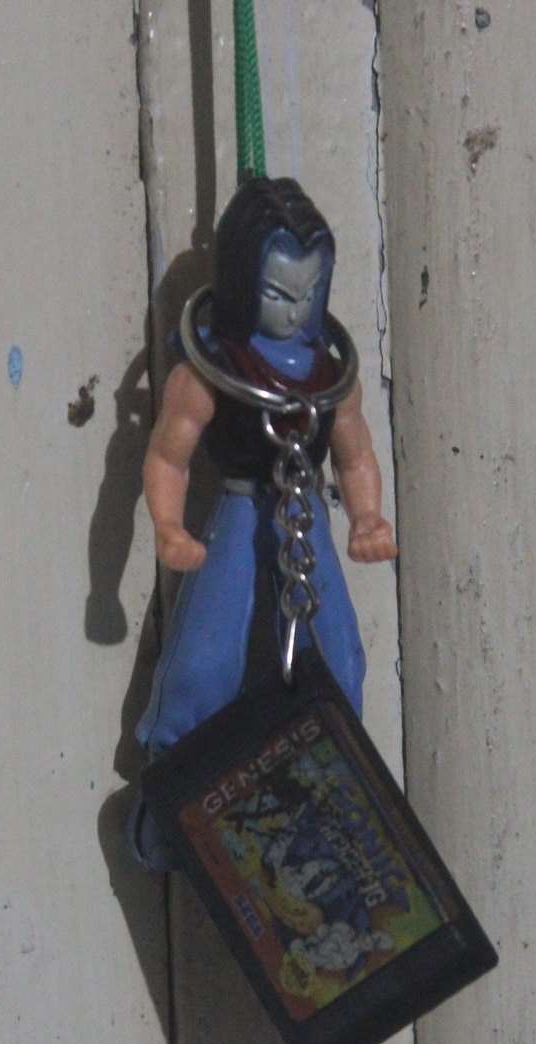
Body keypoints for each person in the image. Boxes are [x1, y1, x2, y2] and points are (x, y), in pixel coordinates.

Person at [129, 177, 396, 870]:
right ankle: (167, 793)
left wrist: (367, 515)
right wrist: (168, 526)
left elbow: (356, 453)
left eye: (309, 293)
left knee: (339, 656)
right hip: (241, 509)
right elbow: (168, 456)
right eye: (278, 294)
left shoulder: (329, 373)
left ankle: (337, 783)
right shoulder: (212, 369)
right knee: (202, 661)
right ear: (246, 285)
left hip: (306, 514)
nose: (295, 309)